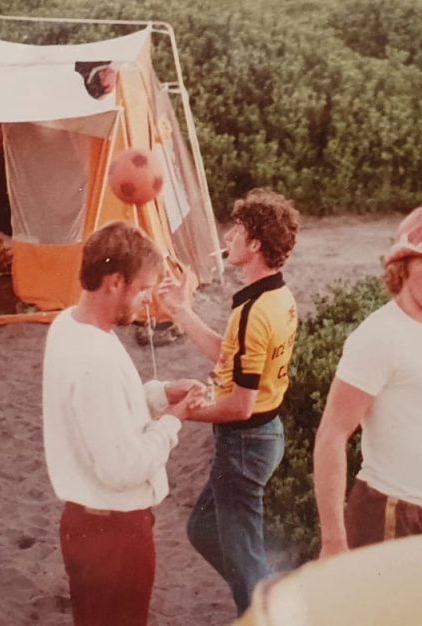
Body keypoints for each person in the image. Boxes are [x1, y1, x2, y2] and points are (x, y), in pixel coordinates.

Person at [42, 221, 204, 626]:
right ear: (115, 282)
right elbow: (121, 469)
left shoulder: (69, 325)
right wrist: (172, 422)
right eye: (144, 288)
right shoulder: (95, 360)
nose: (148, 300)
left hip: (85, 524)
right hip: (113, 533)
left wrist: (159, 393)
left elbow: (99, 411)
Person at [313, 205, 422, 559]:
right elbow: (331, 434)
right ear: (402, 267)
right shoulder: (380, 336)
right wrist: (334, 540)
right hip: (389, 513)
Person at [158, 187, 300, 615]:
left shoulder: (255, 312)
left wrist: (183, 412)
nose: (227, 236)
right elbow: (230, 355)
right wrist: (182, 311)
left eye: (237, 230)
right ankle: (262, 586)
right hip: (262, 438)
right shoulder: (276, 297)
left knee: (244, 561)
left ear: (255, 244)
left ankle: (262, 606)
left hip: (244, 443)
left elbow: (239, 406)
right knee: (203, 529)